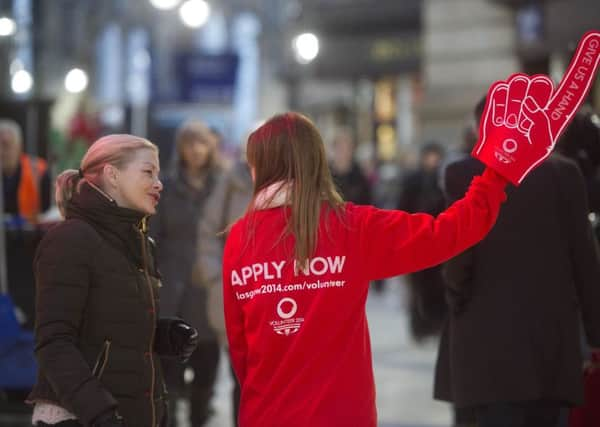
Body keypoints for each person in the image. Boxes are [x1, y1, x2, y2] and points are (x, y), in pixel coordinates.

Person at [222, 111, 512, 427]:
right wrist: (498, 171)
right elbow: (448, 232)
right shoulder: (351, 227)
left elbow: (240, 351)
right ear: (317, 161)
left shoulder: (240, 238)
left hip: (266, 415)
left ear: (261, 167)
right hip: (342, 415)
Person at [433, 98, 600, 427]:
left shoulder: (464, 173)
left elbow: (458, 256)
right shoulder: (565, 173)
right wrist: (596, 338)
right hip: (552, 351)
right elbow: (586, 264)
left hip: (487, 350)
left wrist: (457, 297)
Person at [27, 134, 199, 427]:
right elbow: (54, 343)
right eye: (148, 172)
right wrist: (100, 414)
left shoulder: (140, 242)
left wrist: (160, 334)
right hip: (80, 417)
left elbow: (106, 330)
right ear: (112, 175)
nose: (159, 183)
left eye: (158, 173)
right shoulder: (72, 238)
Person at [150, 120, 223, 427]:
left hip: (209, 292)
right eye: (189, 143)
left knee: (205, 379)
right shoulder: (164, 186)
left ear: (211, 147)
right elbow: (154, 236)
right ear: (180, 148)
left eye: (201, 142)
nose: (195, 149)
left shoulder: (224, 186)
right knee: (170, 381)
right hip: (173, 293)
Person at [194, 157, 253, 426]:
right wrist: (217, 277)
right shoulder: (231, 182)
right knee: (242, 382)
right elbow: (208, 230)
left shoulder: (293, 182)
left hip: (281, 297)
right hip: (238, 297)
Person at [397, 142, 447, 341]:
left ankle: (436, 324)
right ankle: (421, 327)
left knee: (437, 285)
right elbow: (403, 207)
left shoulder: (442, 180)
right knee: (419, 286)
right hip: (416, 239)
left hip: (438, 240)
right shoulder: (414, 181)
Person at [1, 119, 51, 224]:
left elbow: (49, 216)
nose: (1, 151)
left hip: (30, 236)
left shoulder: (39, 172)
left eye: (6, 145)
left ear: (19, 147)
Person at [329, 127, 371, 205]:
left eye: (347, 148)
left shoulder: (360, 177)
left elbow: (367, 203)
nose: (344, 152)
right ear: (334, 148)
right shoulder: (325, 175)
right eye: (340, 147)